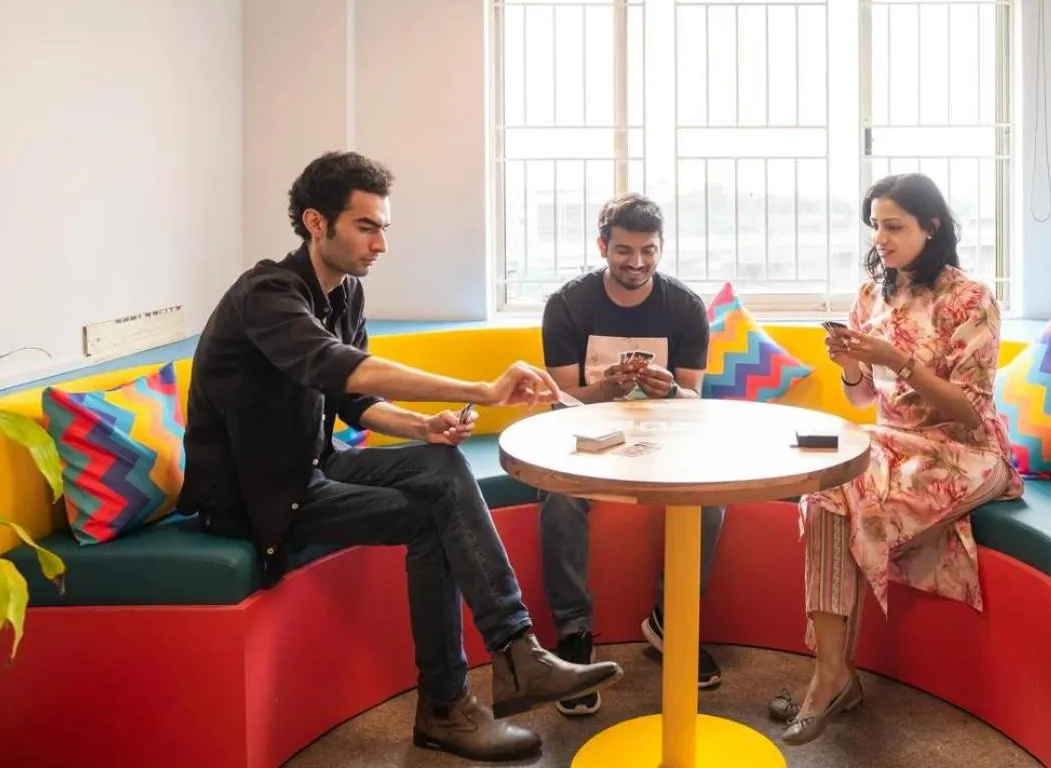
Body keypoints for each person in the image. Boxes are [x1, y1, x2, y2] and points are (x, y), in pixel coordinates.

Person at [178, 151, 623, 762]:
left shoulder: (346, 294)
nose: (381, 244)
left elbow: (354, 402)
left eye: (384, 227)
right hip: (256, 500)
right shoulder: (267, 294)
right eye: (366, 226)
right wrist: (480, 390)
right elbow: (342, 368)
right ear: (315, 222)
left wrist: (423, 426)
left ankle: (515, 654)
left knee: (441, 466)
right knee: (432, 516)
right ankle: (454, 702)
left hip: (313, 467)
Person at [772, 172, 1023, 746]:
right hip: (892, 440)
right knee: (825, 490)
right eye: (875, 227)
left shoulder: (971, 299)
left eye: (893, 226)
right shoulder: (872, 295)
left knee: (850, 502)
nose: (880, 238)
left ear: (930, 227)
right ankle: (831, 675)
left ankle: (831, 683)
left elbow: (970, 411)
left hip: (965, 451)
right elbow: (863, 399)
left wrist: (899, 360)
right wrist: (851, 365)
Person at [536, 193, 720, 715]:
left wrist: (669, 391)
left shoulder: (684, 307)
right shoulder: (568, 304)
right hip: (583, 434)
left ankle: (671, 621)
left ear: (661, 247)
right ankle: (574, 634)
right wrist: (605, 390)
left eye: (648, 250)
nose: (636, 262)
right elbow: (561, 401)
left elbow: (693, 400)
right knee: (559, 497)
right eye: (624, 251)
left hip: (668, 437)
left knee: (713, 496)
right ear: (603, 246)